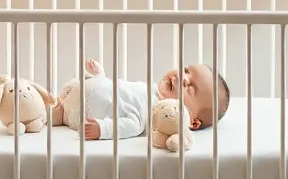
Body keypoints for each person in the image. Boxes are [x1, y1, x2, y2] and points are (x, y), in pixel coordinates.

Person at [50, 60, 231, 140]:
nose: (182, 77)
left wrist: (103, 129)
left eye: (191, 87)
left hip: (79, 112)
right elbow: (119, 91)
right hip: (75, 90)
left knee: (47, 112)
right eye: (186, 70)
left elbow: (133, 125)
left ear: (193, 122)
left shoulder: (154, 112)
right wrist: (101, 76)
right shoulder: (150, 90)